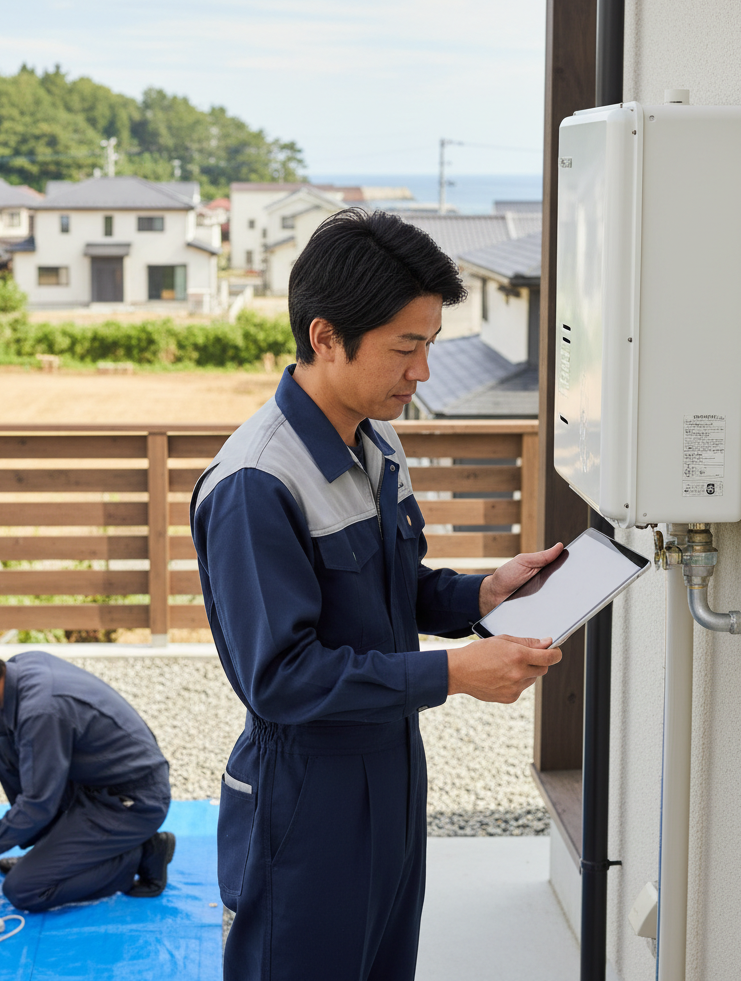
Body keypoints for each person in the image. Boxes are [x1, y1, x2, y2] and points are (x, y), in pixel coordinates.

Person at [191, 209, 564, 981]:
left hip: (391, 763)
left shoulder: (373, 434)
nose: (422, 372)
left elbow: (399, 589)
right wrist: (453, 675)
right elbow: (281, 678)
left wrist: (484, 595)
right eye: (406, 347)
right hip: (306, 791)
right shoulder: (257, 483)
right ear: (325, 337)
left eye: (429, 344)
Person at [0, 632, 175, 911]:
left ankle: (142, 853)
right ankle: (53, 854)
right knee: (0, 748)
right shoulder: (17, 670)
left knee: (25, 890)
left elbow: (37, 805)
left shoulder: (40, 711)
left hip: (132, 802)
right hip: (94, 781)